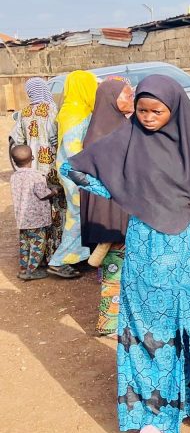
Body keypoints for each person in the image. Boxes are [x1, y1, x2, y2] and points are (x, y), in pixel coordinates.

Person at [66, 75, 190, 433]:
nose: (146, 117)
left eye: (155, 111)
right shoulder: (126, 140)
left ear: (174, 108)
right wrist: (125, 192)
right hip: (146, 247)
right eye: (141, 110)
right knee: (151, 329)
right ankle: (154, 419)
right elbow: (73, 169)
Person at [80, 80, 133, 335]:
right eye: (127, 95)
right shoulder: (103, 136)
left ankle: (118, 321)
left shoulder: (118, 128)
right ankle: (109, 324)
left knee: (125, 270)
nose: (132, 98)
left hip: (123, 214)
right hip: (112, 217)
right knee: (114, 269)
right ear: (112, 99)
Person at [10, 78, 63, 266]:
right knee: (56, 210)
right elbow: (58, 138)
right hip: (52, 169)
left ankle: (35, 258)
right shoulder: (53, 109)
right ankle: (54, 254)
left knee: (38, 210)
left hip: (32, 169)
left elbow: (17, 140)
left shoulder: (23, 113)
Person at [51, 70, 98, 277]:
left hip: (68, 169)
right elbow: (73, 149)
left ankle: (78, 255)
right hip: (74, 172)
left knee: (79, 214)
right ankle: (59, 260)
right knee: (78, 215)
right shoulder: (77, 113)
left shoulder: (69, 109)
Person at [11, 144, 57, 280]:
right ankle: (32, 271)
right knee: (38, 245)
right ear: (32, 158)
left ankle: (23, 269)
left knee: (24, 245)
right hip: (37, 220)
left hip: (22, 219)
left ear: (14, 162)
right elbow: (42, 194)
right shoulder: (36, 176)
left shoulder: (14, 177)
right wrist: (53, 191)